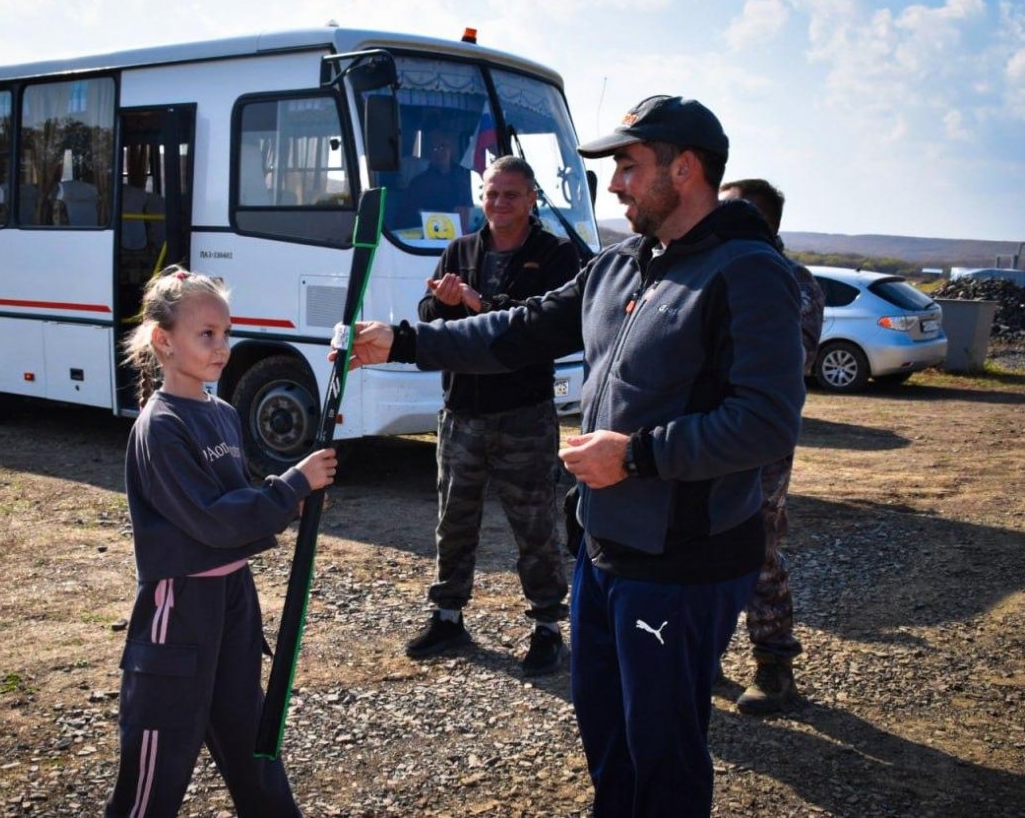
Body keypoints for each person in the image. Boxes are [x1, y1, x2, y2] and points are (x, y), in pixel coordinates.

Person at [335, 95, 806, 816]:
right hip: (603, 548)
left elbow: (766, 422)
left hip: (685, 563)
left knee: (664, 748)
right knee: (606, 731)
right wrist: (405, 341)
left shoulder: (748, 272)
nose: (613, 184)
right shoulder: (619, 267)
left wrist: (638, 456)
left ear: (683, 170)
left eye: (627, 165)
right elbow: (517, 330)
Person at [105, 266, 337, 818]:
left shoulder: (226, 415)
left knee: (250, 739)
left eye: (226, 333)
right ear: (164, 342)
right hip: (179, 610)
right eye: (206, 334)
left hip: (234, 598)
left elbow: (240, 503)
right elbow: (211, 520)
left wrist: (290, 501)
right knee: (158, 758)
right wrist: (290, 486)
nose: (223, 347)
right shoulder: (160, 427)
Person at [404, 155, 579, 675]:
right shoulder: (461, 248)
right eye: (491, 194)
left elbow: (540, 324)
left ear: (531, 200)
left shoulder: (555, 254)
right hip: (463, 409)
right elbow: (428, 314)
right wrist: (445, 301)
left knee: (535, 526)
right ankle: (448, 615)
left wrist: (479, 302)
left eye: (510, 195)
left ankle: (547, 625)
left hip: (524, 412)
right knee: (453, 520)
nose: (499, 203)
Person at [718, 178, 826, 714]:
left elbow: (789, 365)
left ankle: (775, 666)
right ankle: (699, 654)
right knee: (697, 546)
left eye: (728, 208)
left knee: (757, 548)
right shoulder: (714, 267)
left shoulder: (793, 282)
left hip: (757, 446)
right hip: (704, 440)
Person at [396, 126, 475, 230]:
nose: (438, 152)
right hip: (429, 240)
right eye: (434, 148)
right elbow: (403, 221)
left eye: (442, 146)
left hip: (461, 236)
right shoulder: (419, 183)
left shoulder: (464, 176)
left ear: (451, 148)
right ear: (429, 153)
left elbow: (467, 211)